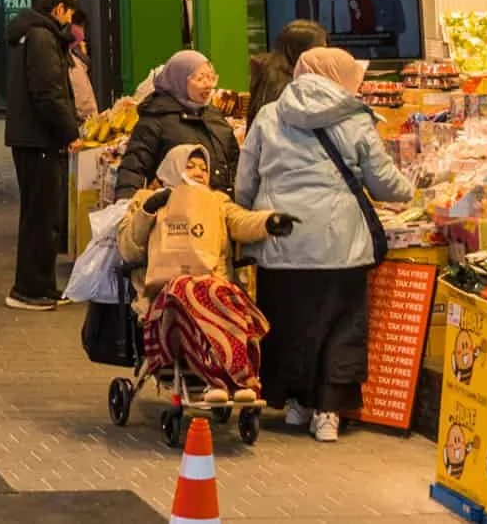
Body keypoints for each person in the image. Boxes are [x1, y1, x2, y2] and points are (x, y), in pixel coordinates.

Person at [236, 46, 413, 442]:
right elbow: (384, 182)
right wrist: (411, 190)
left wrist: (247, 222)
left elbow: (246, 179)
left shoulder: (269, 115)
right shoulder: (354, 117)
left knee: (288, 323)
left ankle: (296, 404)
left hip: (279, 240)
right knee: (340, 326)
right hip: (339, 244)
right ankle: (328, 412)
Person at [119, 145, 292, 402]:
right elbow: (127, 249)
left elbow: (242, 221)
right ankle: (219, 379)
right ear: (172, 167)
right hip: (165, 297)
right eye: (190, 166)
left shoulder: (217, 202)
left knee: (221, 294)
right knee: (185, 289)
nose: (199, 172)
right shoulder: (147, 199)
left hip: (213, 289)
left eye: (204, 168)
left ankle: (233, 380)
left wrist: (268, 222)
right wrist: (148, 212)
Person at [3, 0, 83, 311]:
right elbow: (49, 91)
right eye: (70, 14)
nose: (70, 22)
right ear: (59, 10)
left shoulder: (29, 34)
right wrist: (70, 131)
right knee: (41, 216)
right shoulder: (42, 37)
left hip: (30, 137)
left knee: (38, 214)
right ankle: (30, 290)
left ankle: (41, 286)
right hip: (39, 139)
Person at [113, 49, 239, 198]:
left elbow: (235, 163)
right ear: (179, 80)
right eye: (200, 79)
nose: (208, 85)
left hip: (218, 206)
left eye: (211, 78)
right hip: (176, 207)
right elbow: (133, 168)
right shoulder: (156, 118)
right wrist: (126, 204)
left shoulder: (214, 116)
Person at [248, 19, 329, 113]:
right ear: (301, 51)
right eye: (322, 49)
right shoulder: (290, 88)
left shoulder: (269, 70)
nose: (327, 54)